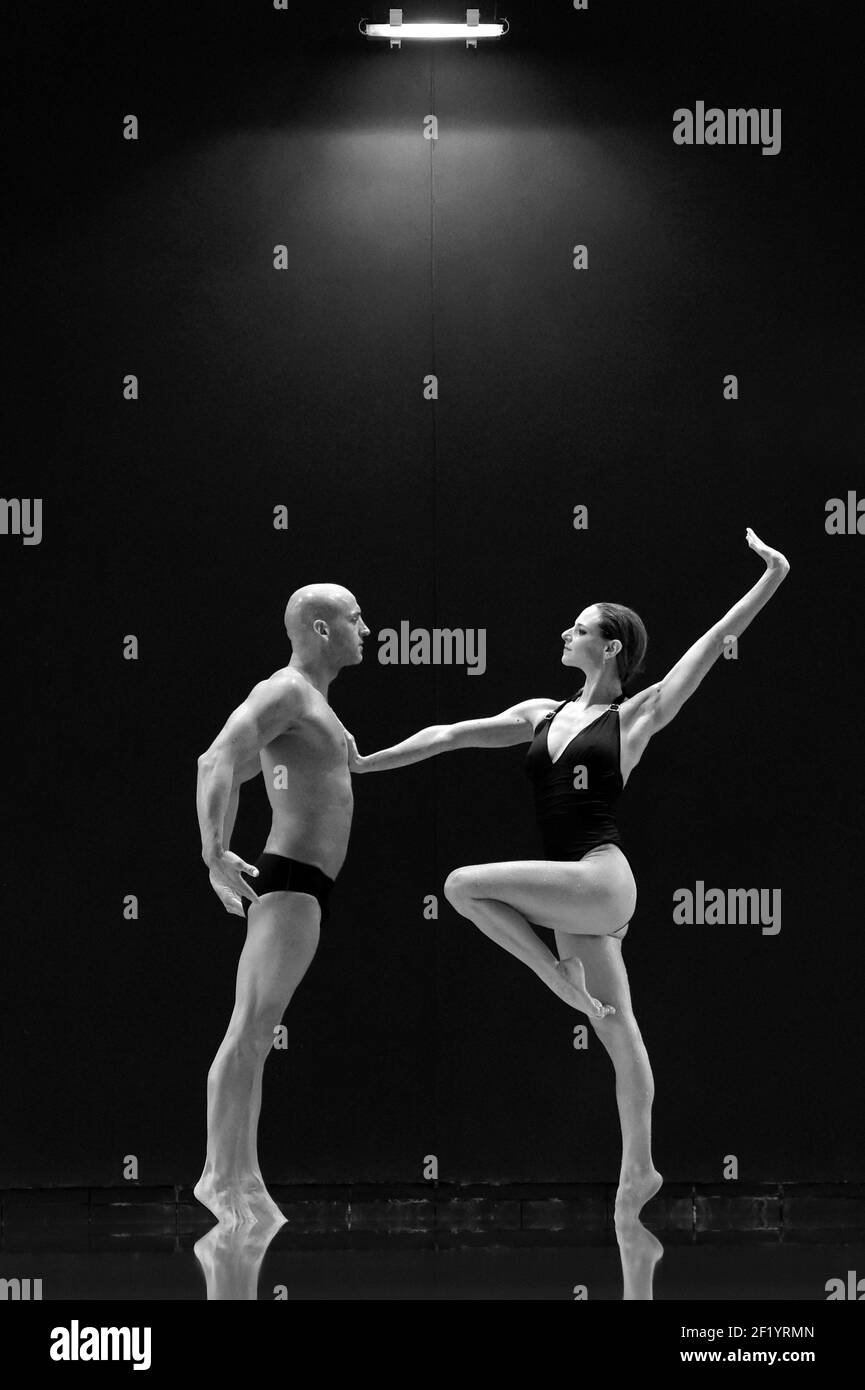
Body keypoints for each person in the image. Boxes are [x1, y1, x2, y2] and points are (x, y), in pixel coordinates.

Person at [346, 528, 790, 1220]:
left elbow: (706, 649)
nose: (564, 632)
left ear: (608, 648)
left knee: (463, 884)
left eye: (578, 629)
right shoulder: (538, 713)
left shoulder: (633, 716)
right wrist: (368, 761)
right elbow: (448, 735)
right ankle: (637, 1171)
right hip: (571, 897)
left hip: (599, 877)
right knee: (617, 1028)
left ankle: (557, 982)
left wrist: (770, 576)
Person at [195, 583, 369, 1228]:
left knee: (258, 1034)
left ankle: (245, 1176)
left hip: (301, 883)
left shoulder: (315, 705)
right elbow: (217, 758)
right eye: (354, 618)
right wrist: (215, 852)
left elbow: (237, 769)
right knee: (249, 1031)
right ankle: (219, 1176)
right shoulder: (287, 691)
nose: (367, 628)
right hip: (290, 879)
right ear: (321, 629)